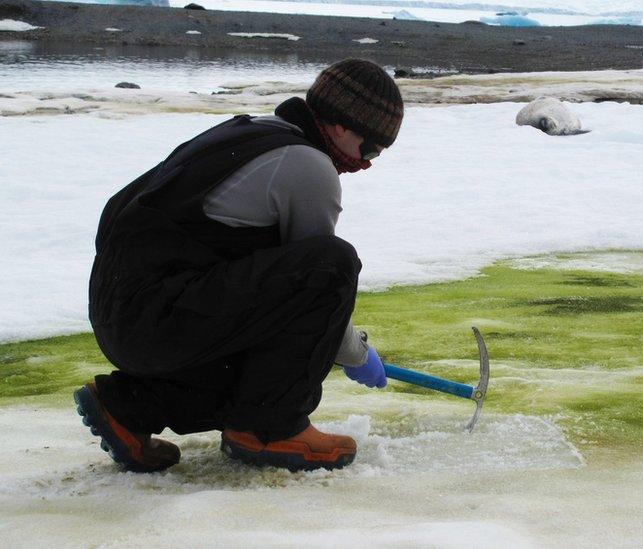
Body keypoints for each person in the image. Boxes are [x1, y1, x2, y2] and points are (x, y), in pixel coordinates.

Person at [73, 59, 403, 473]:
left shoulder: (254, 132)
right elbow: (318, 287)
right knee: (334, 264)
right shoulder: (307, 166)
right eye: (370, 148)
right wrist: (357, 352)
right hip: (155, 315)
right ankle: (271, 427)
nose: (367, 163)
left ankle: (129, 407)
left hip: (128, 313)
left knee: (261, 353)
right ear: (341, 125)